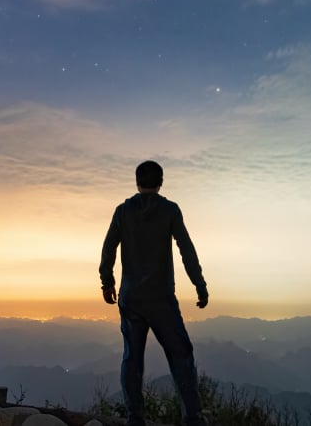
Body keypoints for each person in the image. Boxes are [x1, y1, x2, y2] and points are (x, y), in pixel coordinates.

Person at [100, 160, 209, 426]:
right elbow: (186, 249)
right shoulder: (170, 210)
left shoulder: (122, 212)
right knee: (181, 355)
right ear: (161, 182)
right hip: (161, 299)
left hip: (131, 299)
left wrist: (107, 281)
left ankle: (135, 418)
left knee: (132, 358)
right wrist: (200, 284)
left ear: (137, 182)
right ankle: (192, 417)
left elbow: (108, 248)